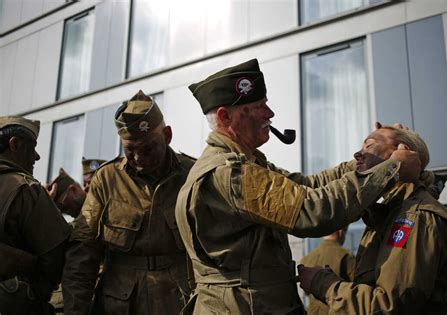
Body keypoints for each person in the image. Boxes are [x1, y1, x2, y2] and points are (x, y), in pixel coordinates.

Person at [175, 58, 421, 314]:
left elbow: (307, 185)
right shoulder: (231, 173)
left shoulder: (245, 165)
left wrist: (368, 161)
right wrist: (390, 169)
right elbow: (311, 210)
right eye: (259, 106)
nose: (270, 114)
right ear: (226, 117)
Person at [298, 126, 447, 314]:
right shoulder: (390, 214)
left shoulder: (412, 216)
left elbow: (389, 304)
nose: (357, 154)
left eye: (369, 146)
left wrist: (323, 284)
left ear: (400, 151)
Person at [62, 90, 196, 314]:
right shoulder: (107, 179)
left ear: (168, 136)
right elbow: (83, 254)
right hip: (121, 305)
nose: (138, 159)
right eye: (129, 150)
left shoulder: (192, 174)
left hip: (180, 302)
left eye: (147, 149)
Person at [0, 116, 71, 315]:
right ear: (15, 144)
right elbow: (58, 257)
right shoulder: (26, 189)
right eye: (32, 147)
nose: (37, 157)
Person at [300, 227, 355, 315]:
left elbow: (305, 290)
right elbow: (356, 290)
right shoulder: (346, 256)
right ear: (340, 232)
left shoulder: (307, 258)